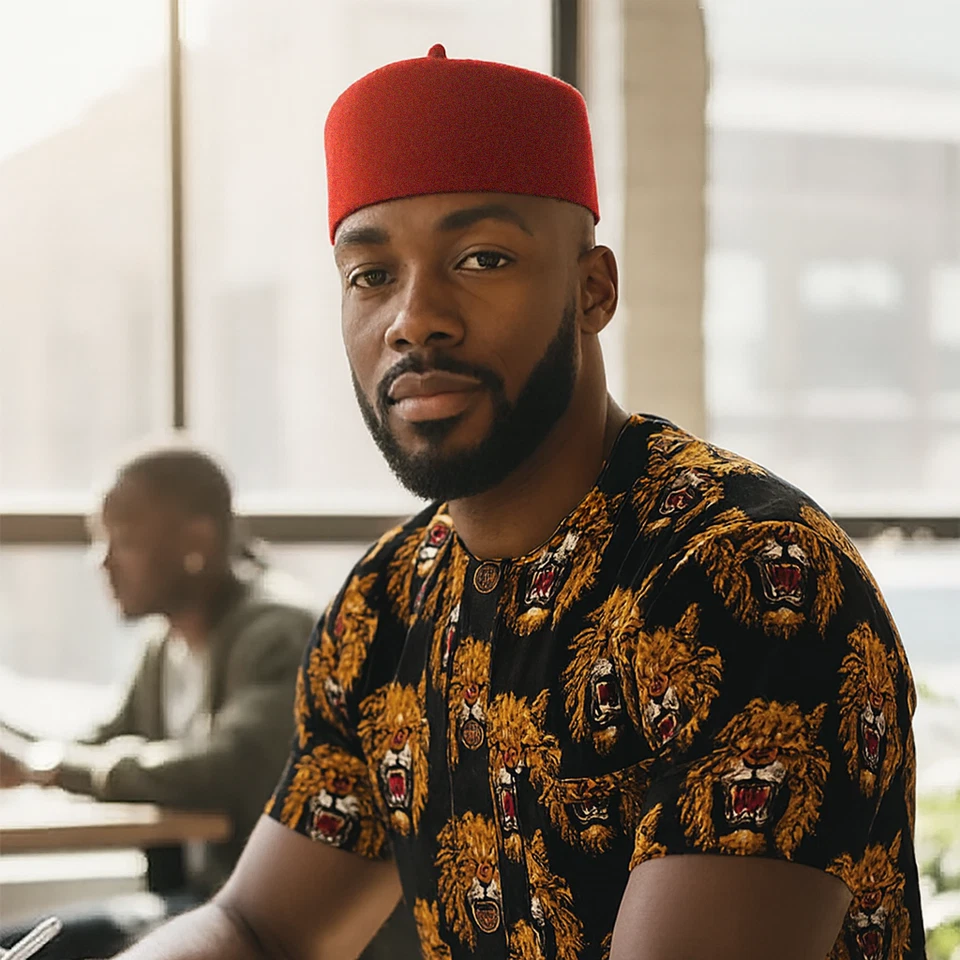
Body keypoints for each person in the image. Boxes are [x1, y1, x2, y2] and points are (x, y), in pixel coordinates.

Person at [109, 45, 924, 960]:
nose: (415, 317)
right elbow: (255, 926)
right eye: (371, 275)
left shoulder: (747, 578)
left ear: (593, 289)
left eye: (481, 257)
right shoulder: (386, 605)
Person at [0, 446, 321, 958]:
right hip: (193, 902)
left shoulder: (278, 631)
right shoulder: (163, 645)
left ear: (197, 540)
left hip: (262, 920)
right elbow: (100, 742)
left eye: (121, 540)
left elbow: (223, 767)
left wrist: (50, 768)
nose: (101, 561)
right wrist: (27, 753)